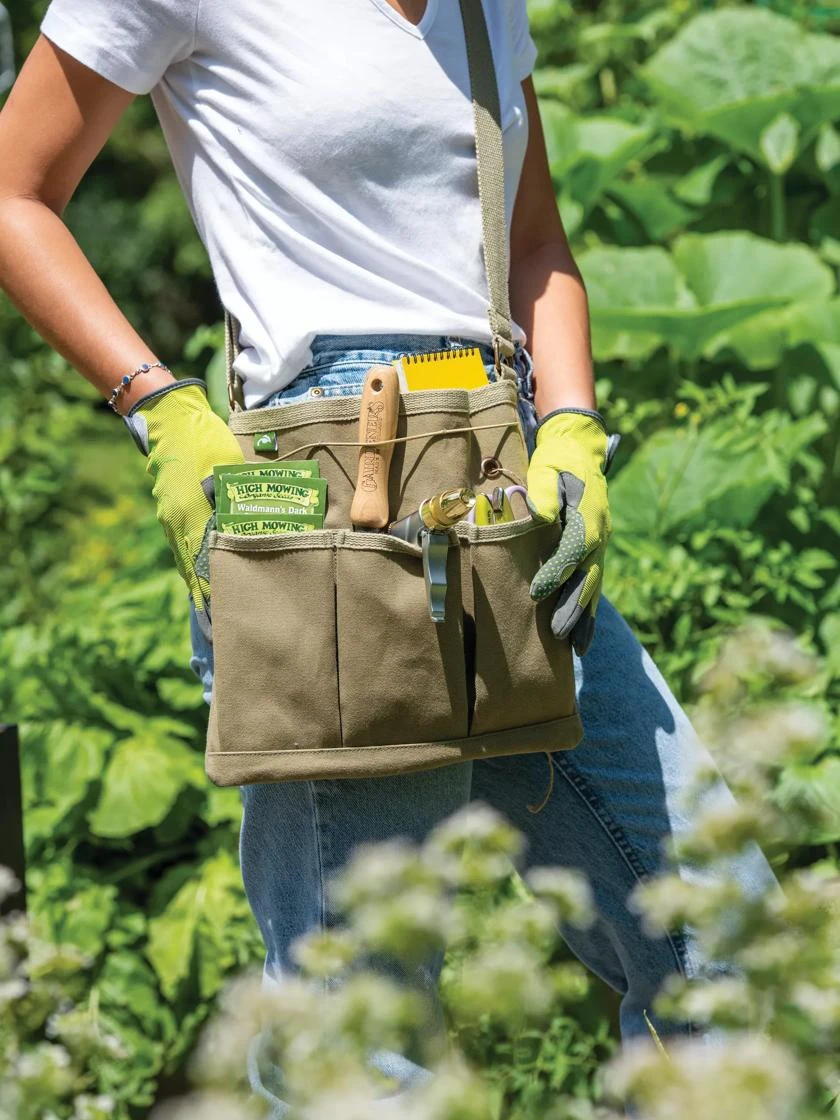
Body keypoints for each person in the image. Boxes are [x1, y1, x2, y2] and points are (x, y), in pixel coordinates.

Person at [0, 0, 776, 1104]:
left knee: (723, 923)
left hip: (502, 501)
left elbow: (538, 245)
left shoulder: (483, 6)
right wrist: (159, 411)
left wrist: (573, 424)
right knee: (360, 1033)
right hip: (319, 515)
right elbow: (13, 193)